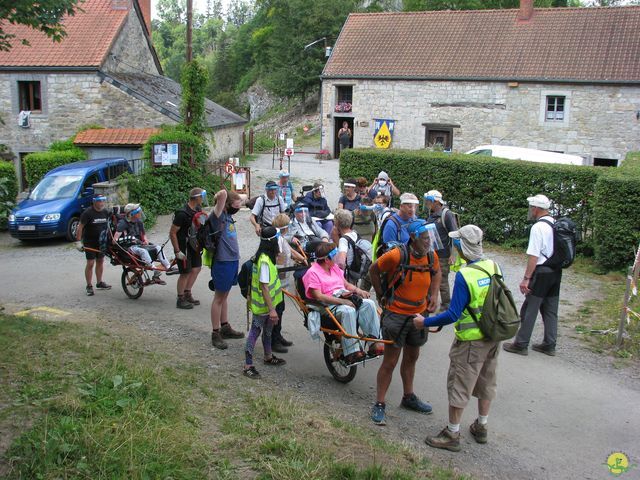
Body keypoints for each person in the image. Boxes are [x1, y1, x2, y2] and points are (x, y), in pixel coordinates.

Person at [416, 225, 502, 452]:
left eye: (456, 243)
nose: (454, 246)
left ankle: (452, 434)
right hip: (493, 336)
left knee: (459, 385)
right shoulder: (493, 266)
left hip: (471, 341)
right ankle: (481, 426)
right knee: (486, 381)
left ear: (463, 246)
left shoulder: (466, 275)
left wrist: (424, 322)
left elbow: (453, 314)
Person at [369, 220, 441, 426]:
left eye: (430, 238)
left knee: (412, 356)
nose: (429, 242)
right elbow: (374, 270)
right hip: (396, 315)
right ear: (413, 238)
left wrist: (434, 295)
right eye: (425, 238)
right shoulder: (397, 255)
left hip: (418, 316)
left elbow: (437, 272)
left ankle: (408, 397)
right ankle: (380, 403)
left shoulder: (430, 255)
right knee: (390, 361)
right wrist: (382, 295)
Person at [302, 242, 383, 363]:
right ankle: (352, 352)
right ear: (326, 259)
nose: (336, 258)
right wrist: (342, 301)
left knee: (369, 304)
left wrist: (358, 290)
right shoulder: (313, 273)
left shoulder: (333, 268)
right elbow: (318, 296)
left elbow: (345, 284)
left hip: (343, 298)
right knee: (348, 310)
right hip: (326, 305)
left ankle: (375, 343)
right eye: (333, 256)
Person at [503, 194, 561, 356]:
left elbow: (534, 255)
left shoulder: (538, 227)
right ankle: (550, 344)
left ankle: (521, 344)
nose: (530, 210)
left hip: (541, 272)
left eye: (531, 207)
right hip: (556, 271)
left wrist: (526, 278)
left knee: (530, 308)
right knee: (550, 309)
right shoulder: (555, 223)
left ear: (536, 208)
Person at [243, 226, 287, 379]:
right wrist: (272, 310)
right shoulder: (263, 261)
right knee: (255, 333)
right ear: (272, 241)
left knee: (268, 331)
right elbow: (264, 287)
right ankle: (248, 365)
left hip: (270, 305)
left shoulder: (267, 256)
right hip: (263, 307)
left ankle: (268, 356)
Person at [208, 189, 245, 350]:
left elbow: (243, 198)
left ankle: (225, 326)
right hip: (222, 262)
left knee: (224, 297)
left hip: (232, 261)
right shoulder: (218, 216)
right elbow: (222, 194)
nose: (239, 206)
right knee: (218, 298)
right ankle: (215, 333)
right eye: (235, 204)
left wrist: (236, 199)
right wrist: (224, 197)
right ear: (226, 205)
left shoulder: (229, 216)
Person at [270, 213, 307, 353]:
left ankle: (278, 335)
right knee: (276, 311)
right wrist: (295, 262)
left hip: (282, 283)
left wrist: (302, 259)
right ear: (285, 227)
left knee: (281, 309)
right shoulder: (276, 241)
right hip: (276, 283)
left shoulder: (281, 239)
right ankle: (273, 340)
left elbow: (291, 251)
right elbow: (281, 260)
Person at [113, 203, 174, 285]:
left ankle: (168, 266)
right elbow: (114, 240)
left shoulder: (139, 221)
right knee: (143, 251)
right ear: (132, 214)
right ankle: (155, 271)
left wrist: (145, 240)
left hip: (140, 244)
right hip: (129, 246)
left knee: (158, 247)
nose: (140, 213)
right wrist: (129, 238)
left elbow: (143, 234)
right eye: (138, 212)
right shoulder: (123, 223)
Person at [170, 187, 206, 309]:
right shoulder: (182, 213)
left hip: (194, 245)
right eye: (202, 197)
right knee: (185, 272)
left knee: (196, 268)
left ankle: (187, 293)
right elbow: (173, 232)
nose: (203, 199)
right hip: (183, 246)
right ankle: (180, 299)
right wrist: (177, 251)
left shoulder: (197, 209)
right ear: (197, 198)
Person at [424, 190, 459, 312]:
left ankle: (446, 306)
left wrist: (453, 255)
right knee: (428, 278)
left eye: (429, 201)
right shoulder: (431, 214)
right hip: (431, 254)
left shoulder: (447, 214)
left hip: (443, 255)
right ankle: (429, 303)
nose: (427, 203)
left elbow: (455, 235)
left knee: (442, 281)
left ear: (436, 201)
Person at [76, 194, 111, 296]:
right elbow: (80, 227)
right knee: (90, 263)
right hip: (89, 242)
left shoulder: (105, 212)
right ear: (94, 201)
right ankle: (89, 286)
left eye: (103, 200)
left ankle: (99, 282)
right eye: (100, 201)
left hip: (101, 242)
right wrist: (78, 241)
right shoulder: (88, 213)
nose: (102, 203)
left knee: (100, 261)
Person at [333, 208, 372, 290]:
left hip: (348, 274)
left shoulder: (343, 240)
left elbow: (341, 262)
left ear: (337, 223)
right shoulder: (355, 233)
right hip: (356, 271)